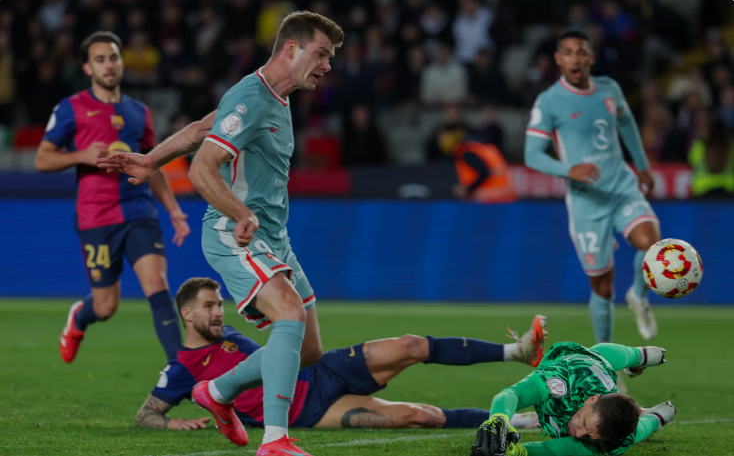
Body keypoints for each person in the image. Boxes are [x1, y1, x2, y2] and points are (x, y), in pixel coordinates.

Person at [100, 11, 344, 456]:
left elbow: (200, 130)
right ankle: (275, 441)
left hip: (273, 236)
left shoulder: (275, 97)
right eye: (322, 54)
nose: (328, 65)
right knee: (289, 313)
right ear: (291, 49)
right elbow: (201, 169)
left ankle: (216, 392)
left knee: (308, 350)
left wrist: (150, 160)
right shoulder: (252, 96)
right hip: (233, 231)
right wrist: (239, 213)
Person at [135, 277, 546, 431]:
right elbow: (145, 416)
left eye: (219, 305)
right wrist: (174, 424)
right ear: (186, 314)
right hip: (310, 411)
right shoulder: (181, 368)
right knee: (421, 416)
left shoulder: (229, 335)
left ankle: (518, 350)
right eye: (209, 306)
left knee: (410, 344)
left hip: (321, 370)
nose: (218, 312)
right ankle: (516, 421)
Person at [35, 31, 189, 364]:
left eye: (113, 58)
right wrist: (80, 156)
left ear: (121, 63)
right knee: (106, 306)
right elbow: (42, 159)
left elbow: (151, 165)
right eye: (100, 59)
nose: (108, 65)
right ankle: (80, 316)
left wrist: (174, 210)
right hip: (96, 216)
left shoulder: (139, 112)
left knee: (157, 282)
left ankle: (180, 373)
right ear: (87, 68)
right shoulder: (71, 108)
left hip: (139, 210)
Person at [524, 29, 660, 344]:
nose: (575, 58)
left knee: (651, 243)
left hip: (622, 187)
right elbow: (532, 156)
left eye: (581, 52)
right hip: (586, 203)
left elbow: (626, 123)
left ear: (591, 58)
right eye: (568, 52)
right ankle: (605, 356)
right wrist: (569, 170)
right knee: (603, 287)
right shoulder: (549, 101)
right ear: (558, 60)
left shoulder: (609, 89)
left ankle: (639, 296)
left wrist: (642, 165)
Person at [469, 341, 675, 456]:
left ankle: (657, 416)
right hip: (584, 367)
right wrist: (499, 418)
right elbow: (513, 394)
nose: (578, 433)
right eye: (584, 423)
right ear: (592, 399)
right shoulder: (565, 376)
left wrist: (519, 452)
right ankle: (641, 355)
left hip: (596, 394)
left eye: (590, 435)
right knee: (597, 356)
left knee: (636, 433)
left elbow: (560, 449)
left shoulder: (611, 442)